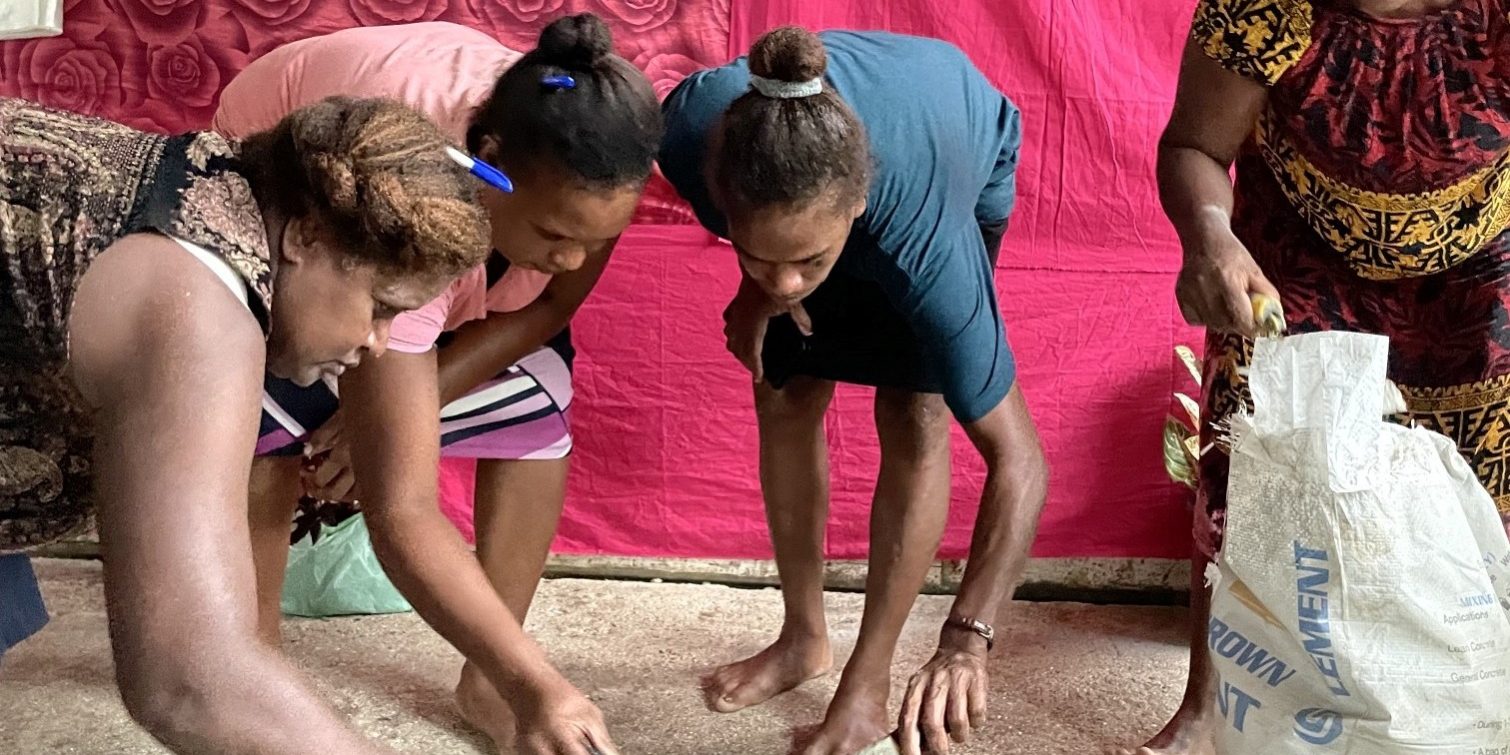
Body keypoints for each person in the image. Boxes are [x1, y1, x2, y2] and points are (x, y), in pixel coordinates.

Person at [214, 14, 660, 755]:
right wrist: (544, 685)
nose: (577, 258)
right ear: (488, 167)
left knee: (538, 396)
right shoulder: (409, 206)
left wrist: (390, 415)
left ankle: (488, 677)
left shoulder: (592, 154)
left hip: (436, 207)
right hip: (271, 192)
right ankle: (252, 668)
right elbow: (404, 511)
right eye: (555, 235)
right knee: (268, 409)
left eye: (596, 235)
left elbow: (551, 307)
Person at [0, 95, 490, 752]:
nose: (377, 344)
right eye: (379, 305)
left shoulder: (212, 184)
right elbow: (191, 679)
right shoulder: (198, 311)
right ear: (306, 234)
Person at [1125, 1, 1510, 753]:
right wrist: (1210, 236)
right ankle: (1205, 713)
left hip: (1476, 270)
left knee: (1488, 486)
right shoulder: (1267, 7)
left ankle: (1482, 697)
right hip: (1293, 259)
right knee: (1247, 472)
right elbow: (1195, 146)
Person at [660, 27, 1049, 755]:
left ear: (858, 205)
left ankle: (866, 682)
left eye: (807, 260)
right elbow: (778, 254)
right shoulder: (692, 138)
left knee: (913, 409)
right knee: (784, 387)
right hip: (812, 167)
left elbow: (1022, 461)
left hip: (955, 140)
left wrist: (968, 638)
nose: (785, 282)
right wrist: (761, 286)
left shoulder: (924, 245)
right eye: (755, 251)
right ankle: (803, 638)